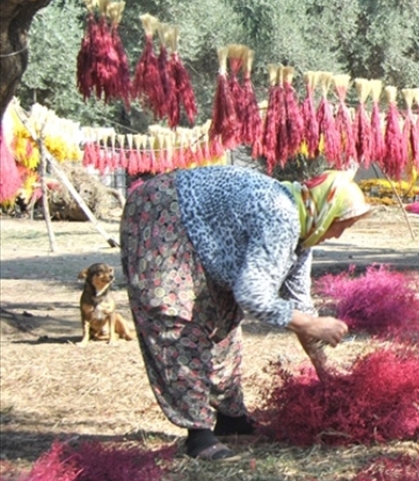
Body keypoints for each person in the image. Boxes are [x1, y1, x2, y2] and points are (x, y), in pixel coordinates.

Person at [120, 166, 373, 461]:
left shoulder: (303, 231)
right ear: (326, 211)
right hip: (164, 215)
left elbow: (299, 302)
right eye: (340, 225)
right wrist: (310, 324)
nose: (339, 235)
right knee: (177, 321)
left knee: (222, 319)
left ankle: (231, 418)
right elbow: (254, 295)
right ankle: (198, 434)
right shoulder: (282, 216)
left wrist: (326, 373)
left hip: (204, 239)